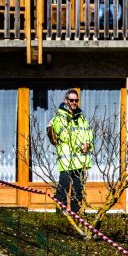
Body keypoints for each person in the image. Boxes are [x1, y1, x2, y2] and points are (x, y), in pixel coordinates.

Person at [49, 89, 93, 220]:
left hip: (80, 161)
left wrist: (88, 144)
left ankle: (75, 217)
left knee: (77, 191)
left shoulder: (82, 118)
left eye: (76, 100)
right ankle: (60, 218)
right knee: (63, 189)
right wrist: (81, 146)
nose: (74, 102)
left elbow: (89, 133)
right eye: (71, 100)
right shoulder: (59, 118)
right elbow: (65, 136)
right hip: (66, 161)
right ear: (66, 101)